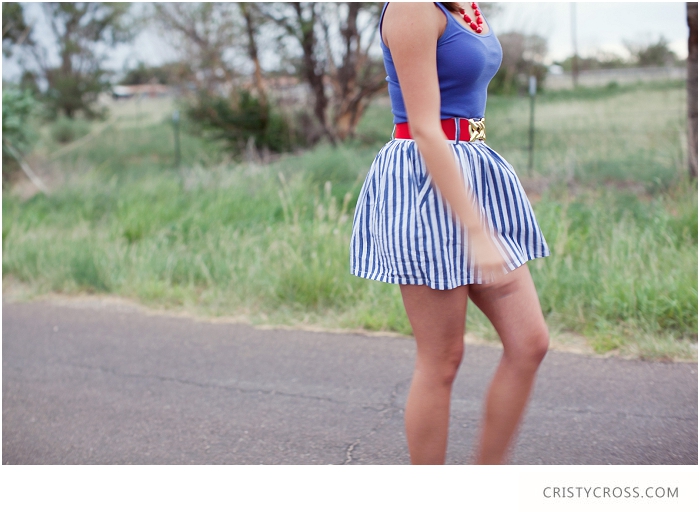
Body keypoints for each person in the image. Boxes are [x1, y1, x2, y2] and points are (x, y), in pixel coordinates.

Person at [350, 2, 551, 465]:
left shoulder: (466, 5)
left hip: (473, 164)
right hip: (424, 178)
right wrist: (476, 230)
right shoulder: (411, 7)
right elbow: (423, 126)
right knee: (442, 359)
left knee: (529, 342)